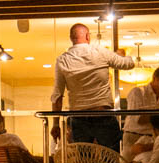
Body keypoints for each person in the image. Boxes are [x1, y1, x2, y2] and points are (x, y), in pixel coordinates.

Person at [50, 22, 135, 153]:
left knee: (85, 160)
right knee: (111, 158)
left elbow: (57, 95)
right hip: (103, 114)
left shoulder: (62, 60)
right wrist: (122, 55)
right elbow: (128, 64)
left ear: (71, 38)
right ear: (88, 36)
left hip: (78, 118)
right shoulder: (100, 51)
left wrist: (56, 123)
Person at [122, 66, 159, 158]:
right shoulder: (138, 92)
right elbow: (138, 119)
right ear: (154, 78)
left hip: (153, 137)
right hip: (134, 135)